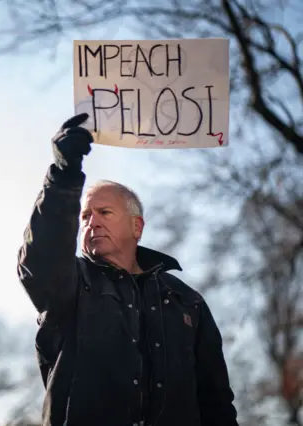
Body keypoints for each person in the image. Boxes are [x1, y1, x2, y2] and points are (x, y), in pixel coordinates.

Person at [17, 113, 239, 426]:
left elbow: (216, 400)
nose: (92, 221)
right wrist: (63, 176)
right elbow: (40, 262)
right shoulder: (72, 282)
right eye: (85, 216)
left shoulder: (187, 302)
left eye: (104, 212)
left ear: (137, 226)